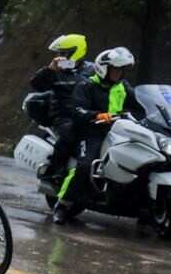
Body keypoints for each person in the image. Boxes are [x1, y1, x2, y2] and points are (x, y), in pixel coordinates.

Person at [55, 46, 144, 223]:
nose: (119, 73)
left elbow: (141, 105)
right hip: (91, 132)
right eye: (116, 69)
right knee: (85, 165)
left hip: (119, 133)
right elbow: (76, 110)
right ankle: (63, 204)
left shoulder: (123, 86)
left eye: (121, 70)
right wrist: (97, 115)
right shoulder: (87, 85)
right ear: (104, 68)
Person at [31, 33, 93, 185]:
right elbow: (36, 85)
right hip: (63, 114)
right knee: (69, 133)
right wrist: (49, 70)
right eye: (59, 53)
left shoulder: (93, 69)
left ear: (76, 51)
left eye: (64, 53)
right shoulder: (56, 70)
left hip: (86, 114)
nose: (59, 57)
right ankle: (54, 170)